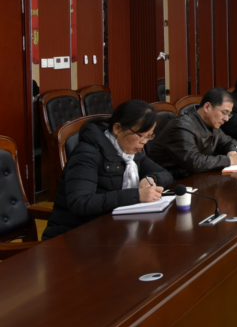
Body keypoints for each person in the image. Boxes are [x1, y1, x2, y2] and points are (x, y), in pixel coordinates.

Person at [43, 101, 172, 239]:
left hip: (111, 230)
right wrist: (136, 195)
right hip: (75, 235)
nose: (144, 141)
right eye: (140, 135)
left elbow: (166, 175)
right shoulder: (87, 154)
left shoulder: (130, 153)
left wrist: (150, 179)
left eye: (149, 136)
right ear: (117, 129)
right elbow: (80, 203)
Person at [145, 87, 237, 180]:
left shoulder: (211, 124)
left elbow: (230, 142)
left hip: (195, 178)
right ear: (207, 107)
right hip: (171, 183)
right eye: (224, 112)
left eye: (229, 115)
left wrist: (232, 152)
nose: (226, 119)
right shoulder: (182, 126)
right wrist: (230, 160)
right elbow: (194, 162)